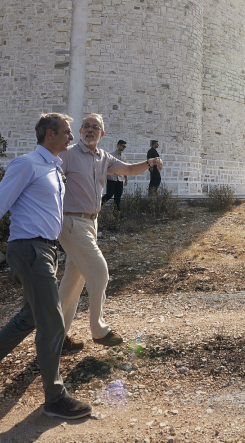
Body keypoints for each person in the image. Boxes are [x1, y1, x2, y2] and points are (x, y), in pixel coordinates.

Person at [0, 113, 91, 421]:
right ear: (50, 133)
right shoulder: (26, 164)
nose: (71, 137)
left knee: (31, 317)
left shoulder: (53, 167)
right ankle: (55, 397)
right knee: (52, 321)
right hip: (30, 250)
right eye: (67, 132)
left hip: (45, 251)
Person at [58, 114, 162, 351]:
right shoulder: (68, 155)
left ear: (102, 134)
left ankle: (56, 337)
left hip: (91, 224)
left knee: (73, 282)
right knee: (100, 272)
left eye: (95, 127)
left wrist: (150, 163)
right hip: (72, 223)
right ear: (80, 130)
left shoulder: (103, 157)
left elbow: (127, 169)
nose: (90, 130)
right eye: (86, 126)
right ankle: (99, 329)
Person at [100, 140, 128, 212]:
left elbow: (125, 168)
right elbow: (105, 167)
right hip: (111, 178)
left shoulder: (124, 157)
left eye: (125, 146)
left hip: (120, 179)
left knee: (118, 196)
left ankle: (117, 213)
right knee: (109, 194)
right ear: (118, 145)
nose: (124, 148)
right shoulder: (111, 155)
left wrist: (126, 178)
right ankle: (98, 205)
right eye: (123, 146)